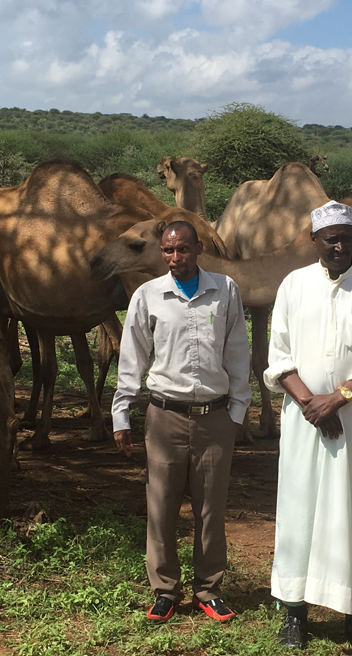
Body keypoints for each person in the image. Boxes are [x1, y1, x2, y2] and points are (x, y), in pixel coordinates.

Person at [264, 200, 352, 655]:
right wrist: (310, 404)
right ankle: (293, 613)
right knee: (298, 510)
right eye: (331, 238)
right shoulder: (293, 285)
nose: (340, 245)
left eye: (347, 237)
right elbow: (279, 355)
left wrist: (337, 400)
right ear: (314, 241)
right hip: (304, 423)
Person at [112, 220, 252, 623]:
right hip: (164, 416)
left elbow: (238, 351)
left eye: (184, 249)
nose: (176, 258)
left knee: (212, 508)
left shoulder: (224, 290)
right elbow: (132, 358)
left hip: (215, 416)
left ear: (199, 248)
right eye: (169, 250)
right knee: (161, 506)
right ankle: (165, 591)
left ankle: (208, 590)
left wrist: (238, 410)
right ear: (162, 252)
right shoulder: (148, 295)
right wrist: (121, 412)